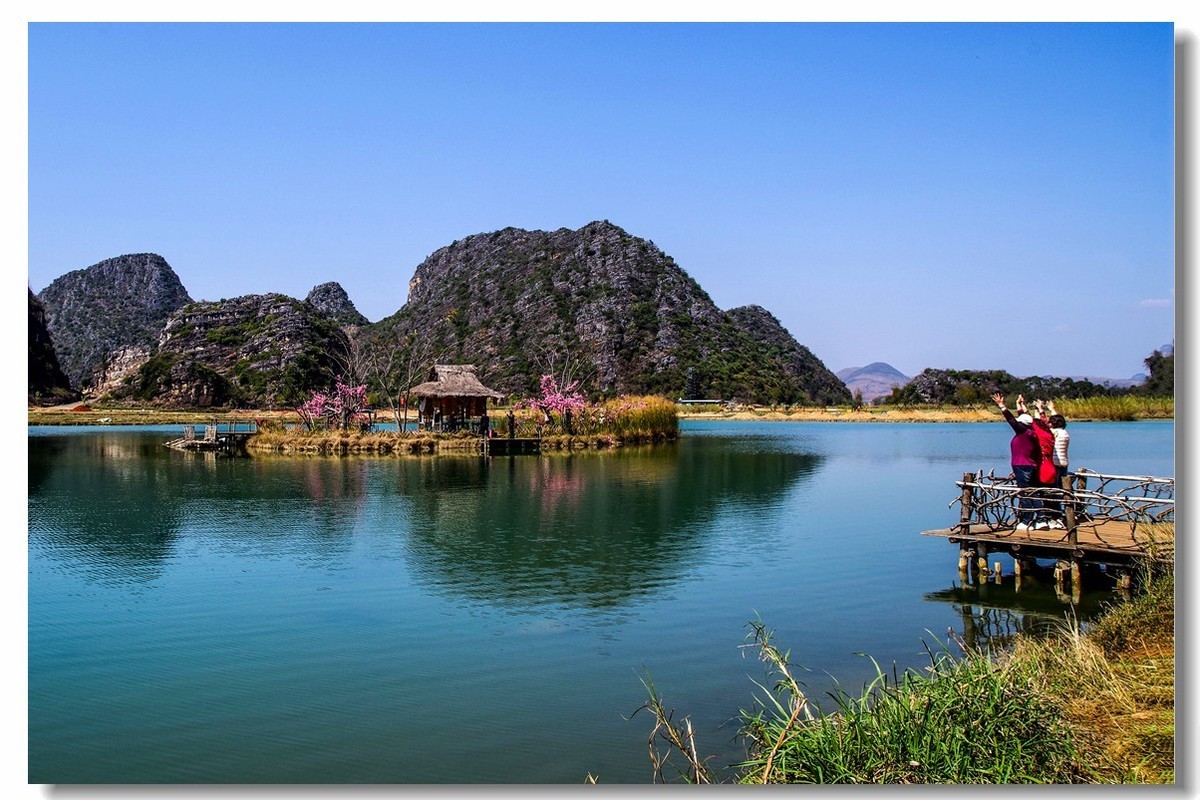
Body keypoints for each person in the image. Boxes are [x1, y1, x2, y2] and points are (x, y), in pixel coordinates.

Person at [992, 392, 1043, 530]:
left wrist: (1002, 406)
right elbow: (1026, 418)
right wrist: (1019, 405)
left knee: (1024, 492)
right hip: (1031, 466)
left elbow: (1011, 420)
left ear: (1022, 425)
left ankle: (1027, 521)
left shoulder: (1023, 432)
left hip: (1022, 466)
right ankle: (1041, 519)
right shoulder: (1033, 432)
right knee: (1034, 491)